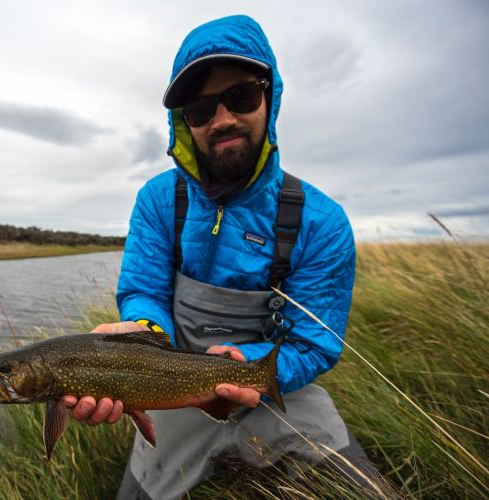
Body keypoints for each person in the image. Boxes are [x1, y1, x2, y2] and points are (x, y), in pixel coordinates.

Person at [62, 14, 378, 499]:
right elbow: (144, 292)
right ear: (183, 122)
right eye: (201, 108)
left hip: (280, 394)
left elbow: (314, 342)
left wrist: (251, 365)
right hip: (171, 393)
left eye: (241, 96)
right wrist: (144, 334)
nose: (223, 119)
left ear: (270, 99)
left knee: (369, 492)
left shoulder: (322, 221)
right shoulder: (158, 200)